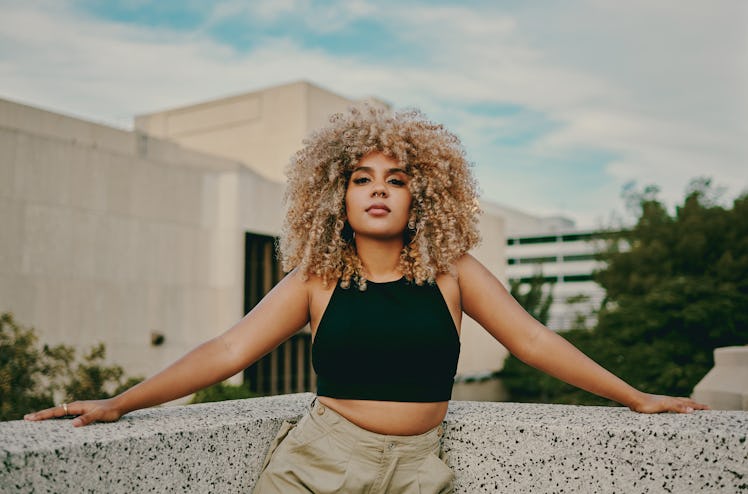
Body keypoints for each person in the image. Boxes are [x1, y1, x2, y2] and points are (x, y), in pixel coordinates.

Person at [25, 105, 708, 493]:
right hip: (317, 465)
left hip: (417, 472)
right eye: (361, 177)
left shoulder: (453, 272)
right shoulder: (315, 279)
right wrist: (120, 402)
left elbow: (533, 341)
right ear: (338, 194)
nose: (378, 188)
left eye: (397, 178)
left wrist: (634, 397)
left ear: (422, 196)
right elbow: (228, 349)